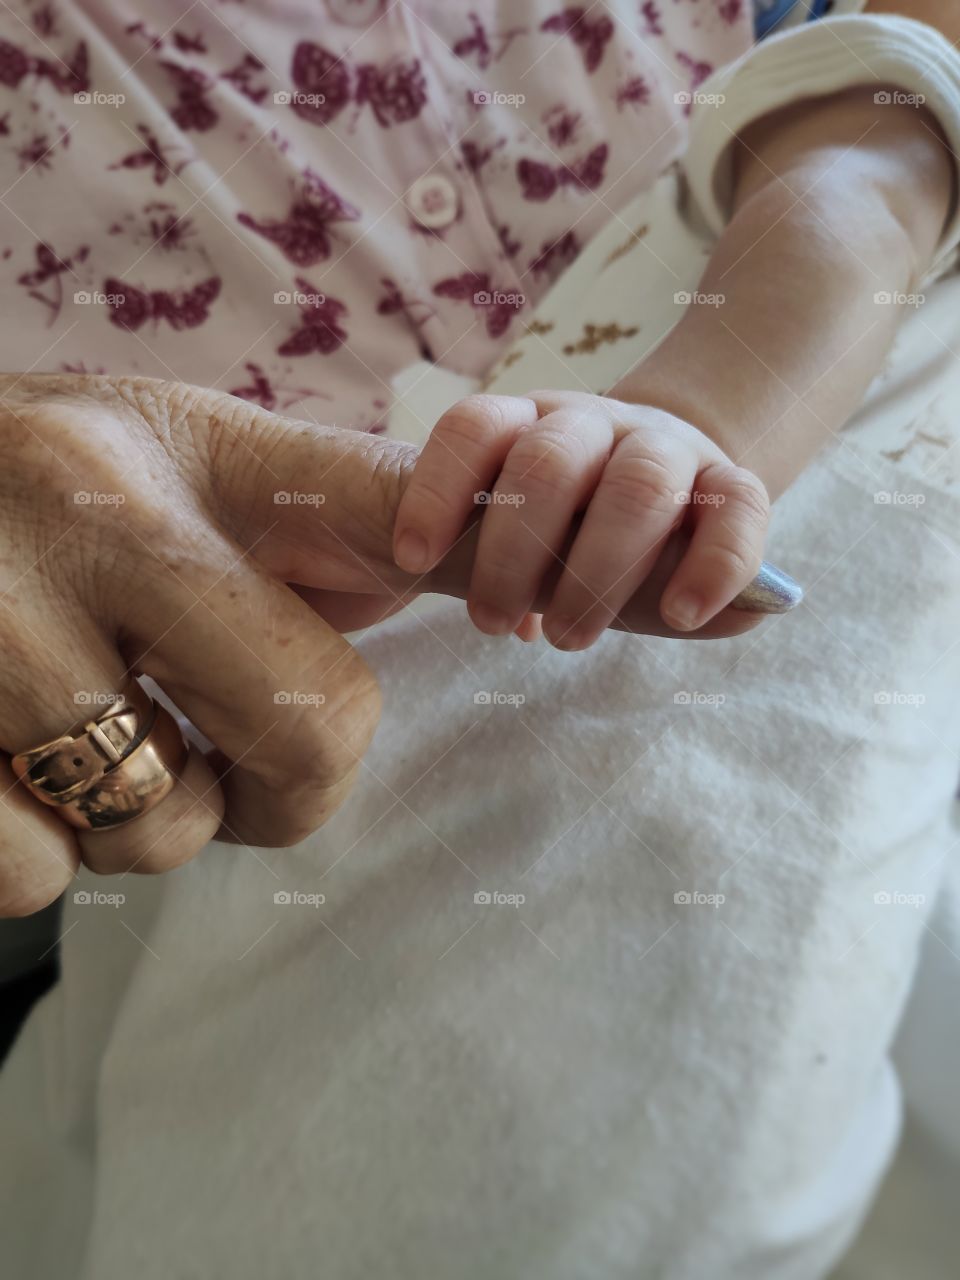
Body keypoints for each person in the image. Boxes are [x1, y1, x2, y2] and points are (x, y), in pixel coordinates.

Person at [0, 1, 959, 1276]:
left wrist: (684, 417)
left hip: (717, 553)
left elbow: (883, 150)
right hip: (222, 708)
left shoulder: (814, 94)